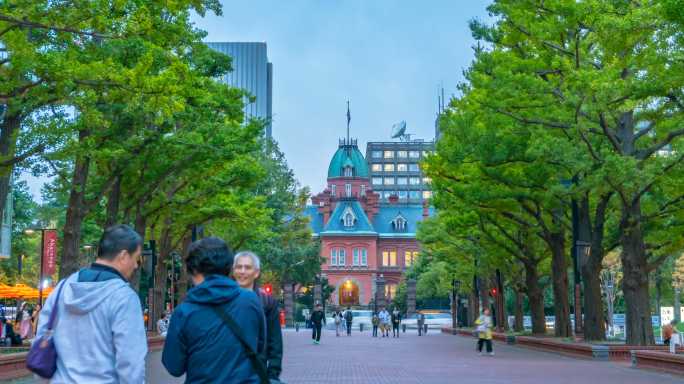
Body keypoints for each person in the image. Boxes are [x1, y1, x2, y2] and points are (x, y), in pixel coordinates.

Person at [34, 224, 147, 382]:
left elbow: (42, 339)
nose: (136, 265)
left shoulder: (63, 287)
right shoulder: (125, 298)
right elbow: (130, 364)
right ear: (123, 256)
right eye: (137, 259)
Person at [163, 237, 265, 383]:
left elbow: (174, 366)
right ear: (229, 267)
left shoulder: (184, 312)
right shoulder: (250, 301)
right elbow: (260, 348)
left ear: (195, 270)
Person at [233, 251, 283, 381]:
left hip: (256, 371)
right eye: (239, 267)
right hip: (229, 371)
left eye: (247, 267)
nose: (242, 271)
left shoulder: (267, 301)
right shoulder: (224, 299)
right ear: (233, 271)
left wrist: (273, 374)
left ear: (256, 272)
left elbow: (275, 341)